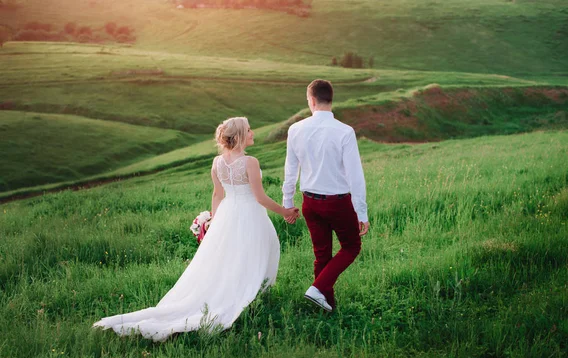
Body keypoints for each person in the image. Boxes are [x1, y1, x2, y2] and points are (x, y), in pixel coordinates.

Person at [93, 117, 299, 341]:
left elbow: (217, 195)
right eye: (249, 130)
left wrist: (213, 220)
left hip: (228, 214)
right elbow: (259, 197)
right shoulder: (250, 162)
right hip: (249, 215)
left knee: (228, 259)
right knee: (253, 254)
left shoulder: (217, 162)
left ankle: (245, 293)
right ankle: (247, 296)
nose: (253, 133)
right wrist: (285, 212)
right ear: (239, 136)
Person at [282, 79, 369, 312]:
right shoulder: (345, 132)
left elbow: (290, 171)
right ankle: (318, 289)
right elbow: (355, 175)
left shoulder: (295, 129)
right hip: (338, 203)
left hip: (310, 202)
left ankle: (328, 306)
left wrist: (287, 203)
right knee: (351, 246)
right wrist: (361, 211)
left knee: (322, 256)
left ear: (311, 101)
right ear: (331, 99)